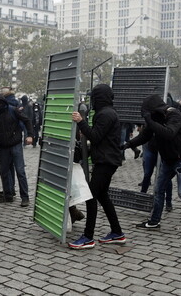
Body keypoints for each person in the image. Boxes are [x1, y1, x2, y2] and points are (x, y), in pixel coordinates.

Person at [125, 95, 181, 240]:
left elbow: (168, 133)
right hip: (168, 159)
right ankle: (154, 221)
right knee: (158, 190)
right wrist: (128, 145)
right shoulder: (156, 118)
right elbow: (145, 136)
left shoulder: (175, 115)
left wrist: (149, 120)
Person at [68, 84, 125, 249]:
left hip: (106, 162)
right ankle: (117, 232)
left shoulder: (105, 114)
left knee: (91, 196)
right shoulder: (106, 112)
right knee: (103, 196)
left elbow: (96, 137)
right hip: (107, 160)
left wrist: (81, 122)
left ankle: (88, 237)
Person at [0, 92, 33, 207]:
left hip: (15, 144)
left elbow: (27, 120)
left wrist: (29, 135)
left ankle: (25, 197)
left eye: (1, 104)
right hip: (3, 147)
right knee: (4, 172)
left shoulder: (13, 110)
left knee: (20, 171)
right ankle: (8, 195)